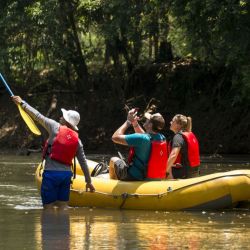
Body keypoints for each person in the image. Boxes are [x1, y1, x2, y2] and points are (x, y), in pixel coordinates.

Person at [12, 96, 95, 209]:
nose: (61, 117)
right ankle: (63, 226)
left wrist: (22, 103)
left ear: (66, 120)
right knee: (63, 207)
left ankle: (49, 226)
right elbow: (83, 162)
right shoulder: (77, 141)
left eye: (63, 116)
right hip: (66, 176)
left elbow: (37, 116)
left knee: (48, 208)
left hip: (51, 174)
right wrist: (88, 181)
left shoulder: (54, 126)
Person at [109, 108, 168, 181]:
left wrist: (128, 121)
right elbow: (145, 137)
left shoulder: (141, 138)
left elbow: (115, 137)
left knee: (113, 159)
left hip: (134, 176)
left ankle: (112, 182)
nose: (146, 119)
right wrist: (135, 123)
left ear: (150, 125)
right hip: (151, 176)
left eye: (147, 120)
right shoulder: (162, 138)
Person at [166, 114, 200, 179]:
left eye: (172, 121)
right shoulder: (190, 134)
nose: (170, 122)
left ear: (179, 125)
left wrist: (164, 171)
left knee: (166, 168)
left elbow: (173, 155)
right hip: (194, 172)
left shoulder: (178, 137)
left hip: (183, 173)